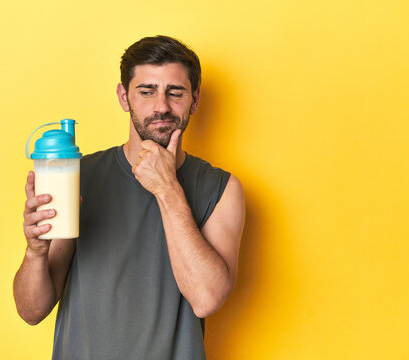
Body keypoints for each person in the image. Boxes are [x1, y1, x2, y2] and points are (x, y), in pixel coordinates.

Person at [13, 35, 245, 359]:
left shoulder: (221, 189)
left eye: (175, 92)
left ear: (194, 100)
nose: (161, 106)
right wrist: (35, 252)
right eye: (146, 91)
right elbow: (31, 311)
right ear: (124, 97)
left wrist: (167, 188)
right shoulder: (78, 176)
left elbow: (206, 298)